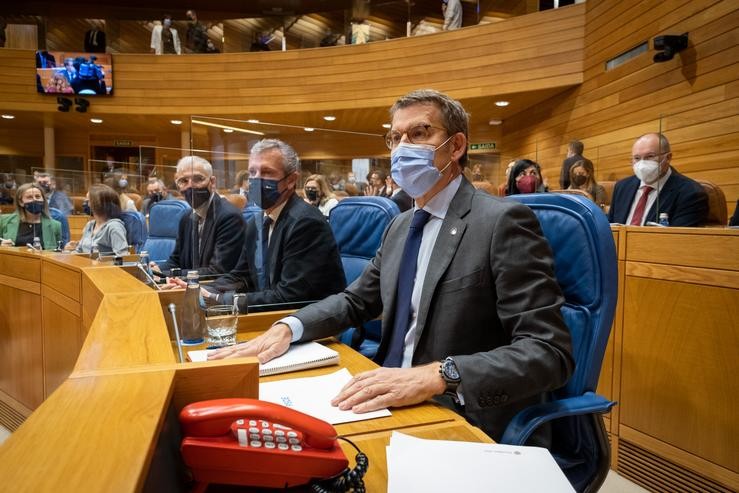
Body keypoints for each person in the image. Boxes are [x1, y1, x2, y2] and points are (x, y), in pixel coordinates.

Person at [209, 90, 573, 443]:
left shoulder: (502, 221)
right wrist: (290, 327)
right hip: (383, 393)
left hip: (455, 409)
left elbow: (548, 352)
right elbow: (355, 301)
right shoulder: (400, 225)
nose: (402, 148)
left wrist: (441, 374)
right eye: (395, 137)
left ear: (457, 146)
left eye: (419, 133)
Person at [199, 139, 346, 310]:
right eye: (252, 172)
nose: (256, 179)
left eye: (267, 172)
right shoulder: (256, 222)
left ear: (291, 180)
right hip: (274, 316)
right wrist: (204, 289)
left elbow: (290, 296)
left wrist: (222, 300)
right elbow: (241, 276)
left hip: (311, 323)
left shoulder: (306, 223)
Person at [151, 156, 245, 277]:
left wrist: (166, 275)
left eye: (198, 179)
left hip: (217, 290)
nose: (191, 186)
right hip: (190, 288)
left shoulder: (229, 217)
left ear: (212, 182)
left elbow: (218, 271)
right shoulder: (186, 217)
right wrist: (155, 270)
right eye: (184, 181)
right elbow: (176, 260)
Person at [608, 133, 708, 227]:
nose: (642, 164)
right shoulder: (622, 187)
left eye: (650, 156)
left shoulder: (691, 193)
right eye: (637, 158)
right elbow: (610, 227)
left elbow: (679, 240)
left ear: (668, 158)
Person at [66, 184, 128, 257]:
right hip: (86, 266)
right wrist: (66, 254)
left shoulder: (114, 227)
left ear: (99, 204)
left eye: (88, 201)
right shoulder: (90, 225)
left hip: (103, 267)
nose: (85, 204)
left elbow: (122, 257)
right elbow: (79, 251)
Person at [0, 183, 62, 249]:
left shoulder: (55, 225)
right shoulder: (4, 221)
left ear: (43, 200)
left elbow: (58, 252)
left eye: (38, 196)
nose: (34, 199)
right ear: (21, 202)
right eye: (29, 197)